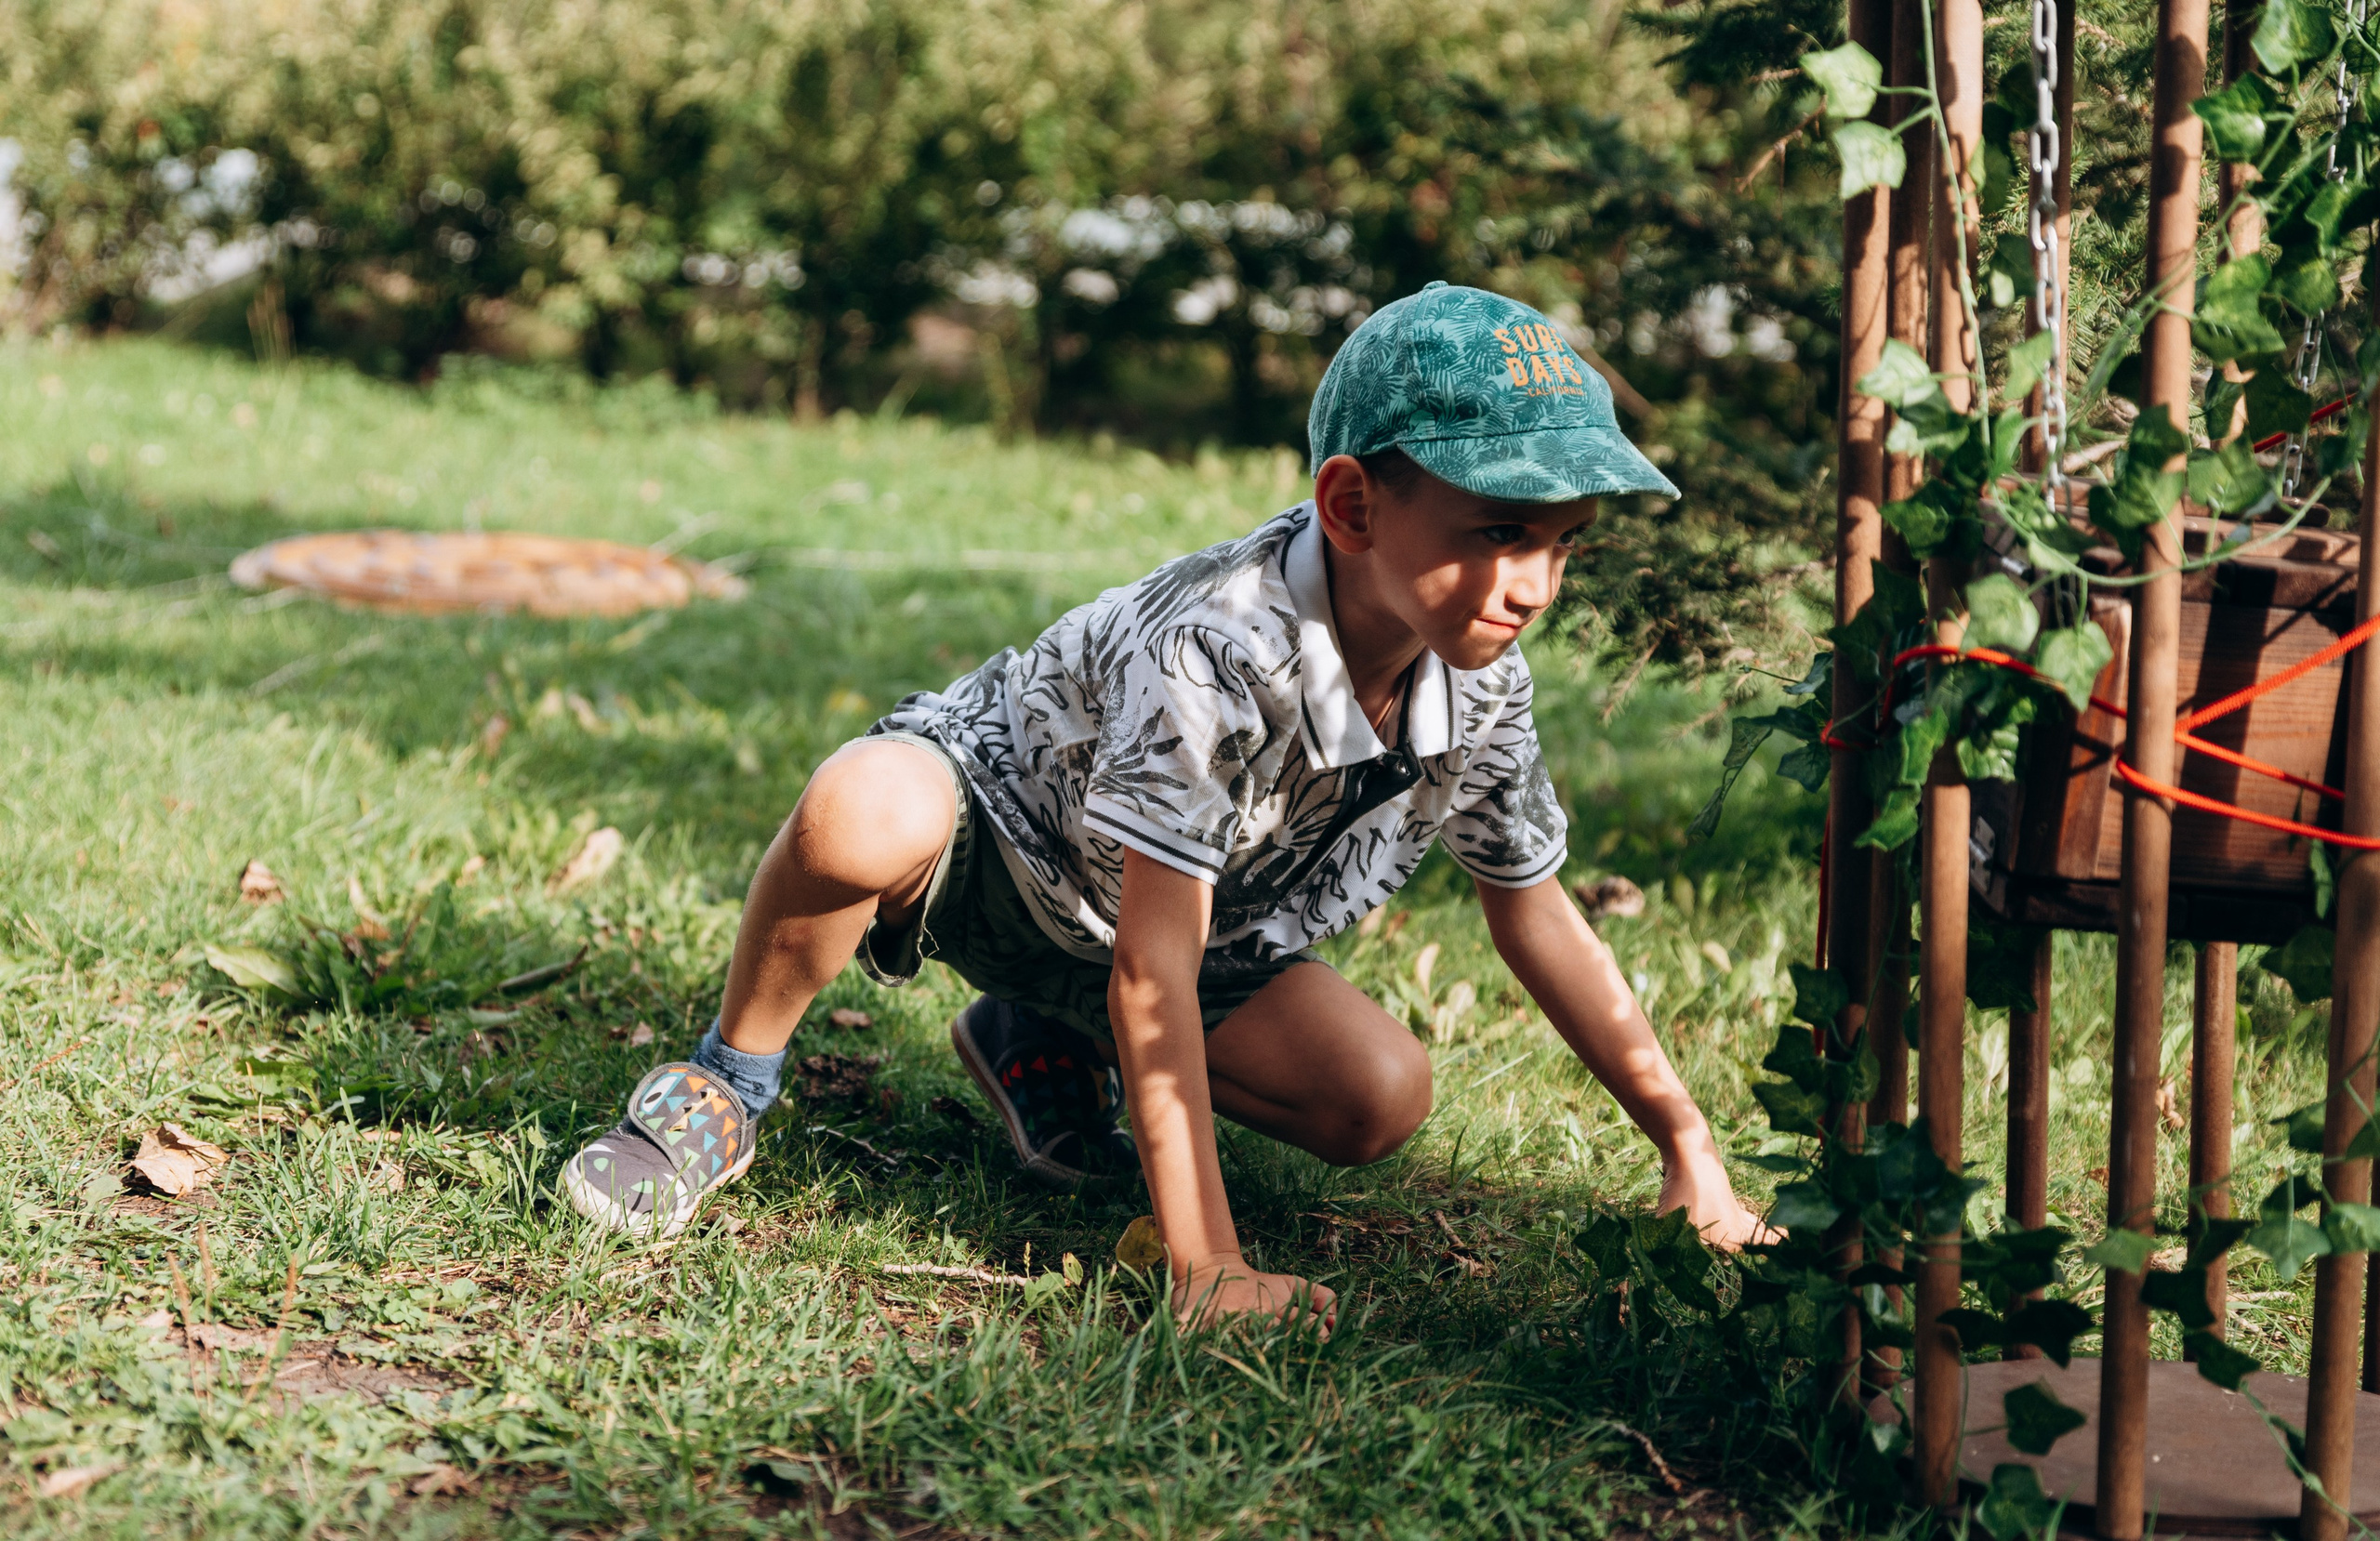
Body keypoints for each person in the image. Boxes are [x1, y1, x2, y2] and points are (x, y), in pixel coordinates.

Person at [562, 282, 1767, 1332]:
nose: (1533, 585)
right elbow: (1153, 968)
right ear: (1351, 507)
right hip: (998, 850)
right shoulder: (1220, 647)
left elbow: (1536, 915)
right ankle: (729, 1079)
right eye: (1500, 531)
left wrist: (1687, 1146)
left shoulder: (1481, 683)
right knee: (855, 810)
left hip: (1168, 929)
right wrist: (1206, 1265)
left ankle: (1032, 1032)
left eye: (1565, 542)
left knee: (1376, 1098)